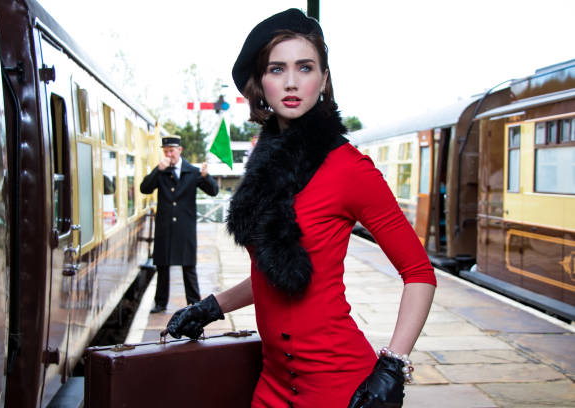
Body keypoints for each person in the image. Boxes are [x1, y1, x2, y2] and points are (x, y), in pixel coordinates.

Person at [164, 8, 436, 407]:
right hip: (273, 384)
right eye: (277, 69)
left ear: (323, 79)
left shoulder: (350, 168)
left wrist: (393, 366)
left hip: (340, 386)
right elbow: (270, 274)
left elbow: (419, 273)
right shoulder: (263, 165)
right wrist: (212, 307)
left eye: (305, 67)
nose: (291, 82)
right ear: (261, 84)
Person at [140, 135, 219, 313]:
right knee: (162, 266)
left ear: (180, 151)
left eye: (172, 151)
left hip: (185, 228)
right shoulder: (162, 170)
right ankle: (160, 303)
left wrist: (206, 177)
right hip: (164, 228)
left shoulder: (192, 171)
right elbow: (144, 188)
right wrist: (157, 171)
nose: (169, 155)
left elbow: (213, 191)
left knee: (188, 267)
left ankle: (194, 303)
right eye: (166, 151)